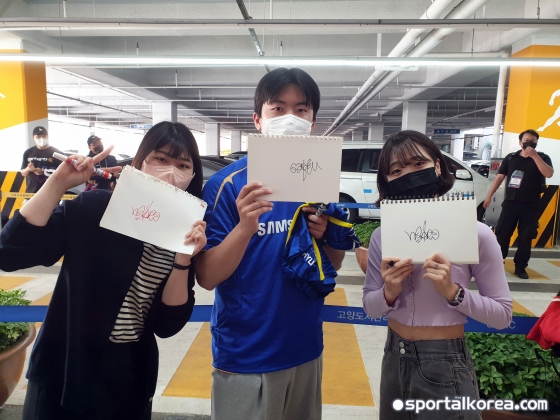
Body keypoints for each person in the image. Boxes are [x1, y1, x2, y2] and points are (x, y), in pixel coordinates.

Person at [0, 121, 206, 419]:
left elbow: (167, 325)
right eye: (160, 159)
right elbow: (9, 252)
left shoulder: (185, 235)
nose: (170, 172)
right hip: (65, 369)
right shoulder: (96, 208)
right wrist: (57, 183)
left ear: (193, 175)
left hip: (129, 378)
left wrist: (183, 259)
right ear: (140, 162)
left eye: (183, 165)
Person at [195, 67, 346, 420]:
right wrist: (245, 228)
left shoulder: (318, 182)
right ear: (258, 120)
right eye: (278, 108)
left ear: (313, 122)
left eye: (301, 109)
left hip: (306, 347)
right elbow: (207, 277)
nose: (290, 118)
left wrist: (325, 236)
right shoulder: (227, 185)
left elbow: (333, 264)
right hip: (247, 354)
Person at [363, 130, 512, 420]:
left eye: (418, 164)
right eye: (396, 170)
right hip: (394, 358)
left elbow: (503, 316)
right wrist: (389, 292)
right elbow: (370, 307)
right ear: (386, 180)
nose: (409, 174)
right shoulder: (383, 236)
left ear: (438, 166)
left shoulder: (476, 234)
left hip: (445, 362)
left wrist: (454, 293)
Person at [483, 129, 554, 279]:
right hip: (511, 203)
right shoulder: (511, 158)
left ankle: (520, 267)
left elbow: (548, 173)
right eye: (527, 140)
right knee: (502, 234)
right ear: (520, 142)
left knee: (525, 236)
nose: (530, 143)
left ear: (537, 143)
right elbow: (499, 177)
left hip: (531, 204)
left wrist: (534, 156)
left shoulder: (543, 157)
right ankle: (497, 263)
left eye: (533, 141)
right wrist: (489, 196)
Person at [20, 126, 62, 193]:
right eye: (38, 137)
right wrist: (28, 169)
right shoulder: (28, 152)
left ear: (48, 137)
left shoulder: (57, 153)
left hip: (52, 192)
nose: (41, 138)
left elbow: (62, 173)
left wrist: (43, 172)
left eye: (44, 136)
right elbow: (23, 173)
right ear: (33, 137)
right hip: (32, 192)